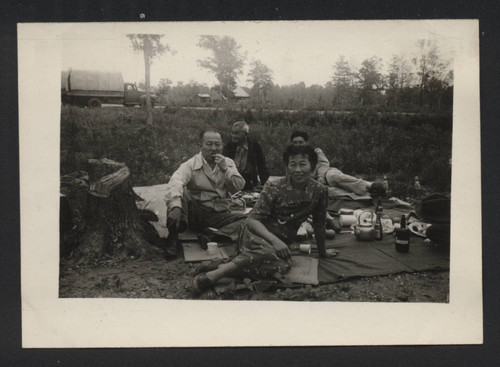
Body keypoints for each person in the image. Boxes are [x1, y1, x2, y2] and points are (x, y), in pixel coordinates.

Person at [192, 144, 337, 293]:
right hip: (257, 232)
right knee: (272, 259)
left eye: (302, 164)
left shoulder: (319, 191)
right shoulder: (274, 186)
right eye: (293, 164)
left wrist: (323, 252)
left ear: (312, 167)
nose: (297, 170)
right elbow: (252, 220)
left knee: (281, 267)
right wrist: (276, 242)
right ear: (287, 167)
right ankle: (212, 276)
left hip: (282, 240)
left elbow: (319, 224)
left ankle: (223, 265)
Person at [163, 129, 246, 259]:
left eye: (218, 144)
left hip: (220, 214)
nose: (214, 148)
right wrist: (175, 206)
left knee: (250, 221)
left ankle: (212, 236)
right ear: (200, 146)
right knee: (179, 194)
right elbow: (175, 181)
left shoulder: (228, 163)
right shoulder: (191, 164)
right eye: (209, 144)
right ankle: (173, 238)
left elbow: (239, 187)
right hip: (197, 213)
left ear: (222, 146)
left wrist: (225, 169)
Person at [290, 131, 386, 197]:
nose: (298, 145)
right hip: (312, 180)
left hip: (326, 174)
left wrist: (321, 177)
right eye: (295, 142)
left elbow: (324, 164)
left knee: (334, 177)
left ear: (306, 142)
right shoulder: (290, 156)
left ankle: (370, 186)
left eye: (300, 142)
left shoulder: (315, 151)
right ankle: (369, 194)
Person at [222, 121, 269, 190]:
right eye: (232, 133)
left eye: (237, 133)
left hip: (249, 181)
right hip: (232, 179)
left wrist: (265, 184)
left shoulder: (255, 146)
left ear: (246, 134)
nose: (233, 136)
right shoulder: (228, 146)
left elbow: (262, 166)